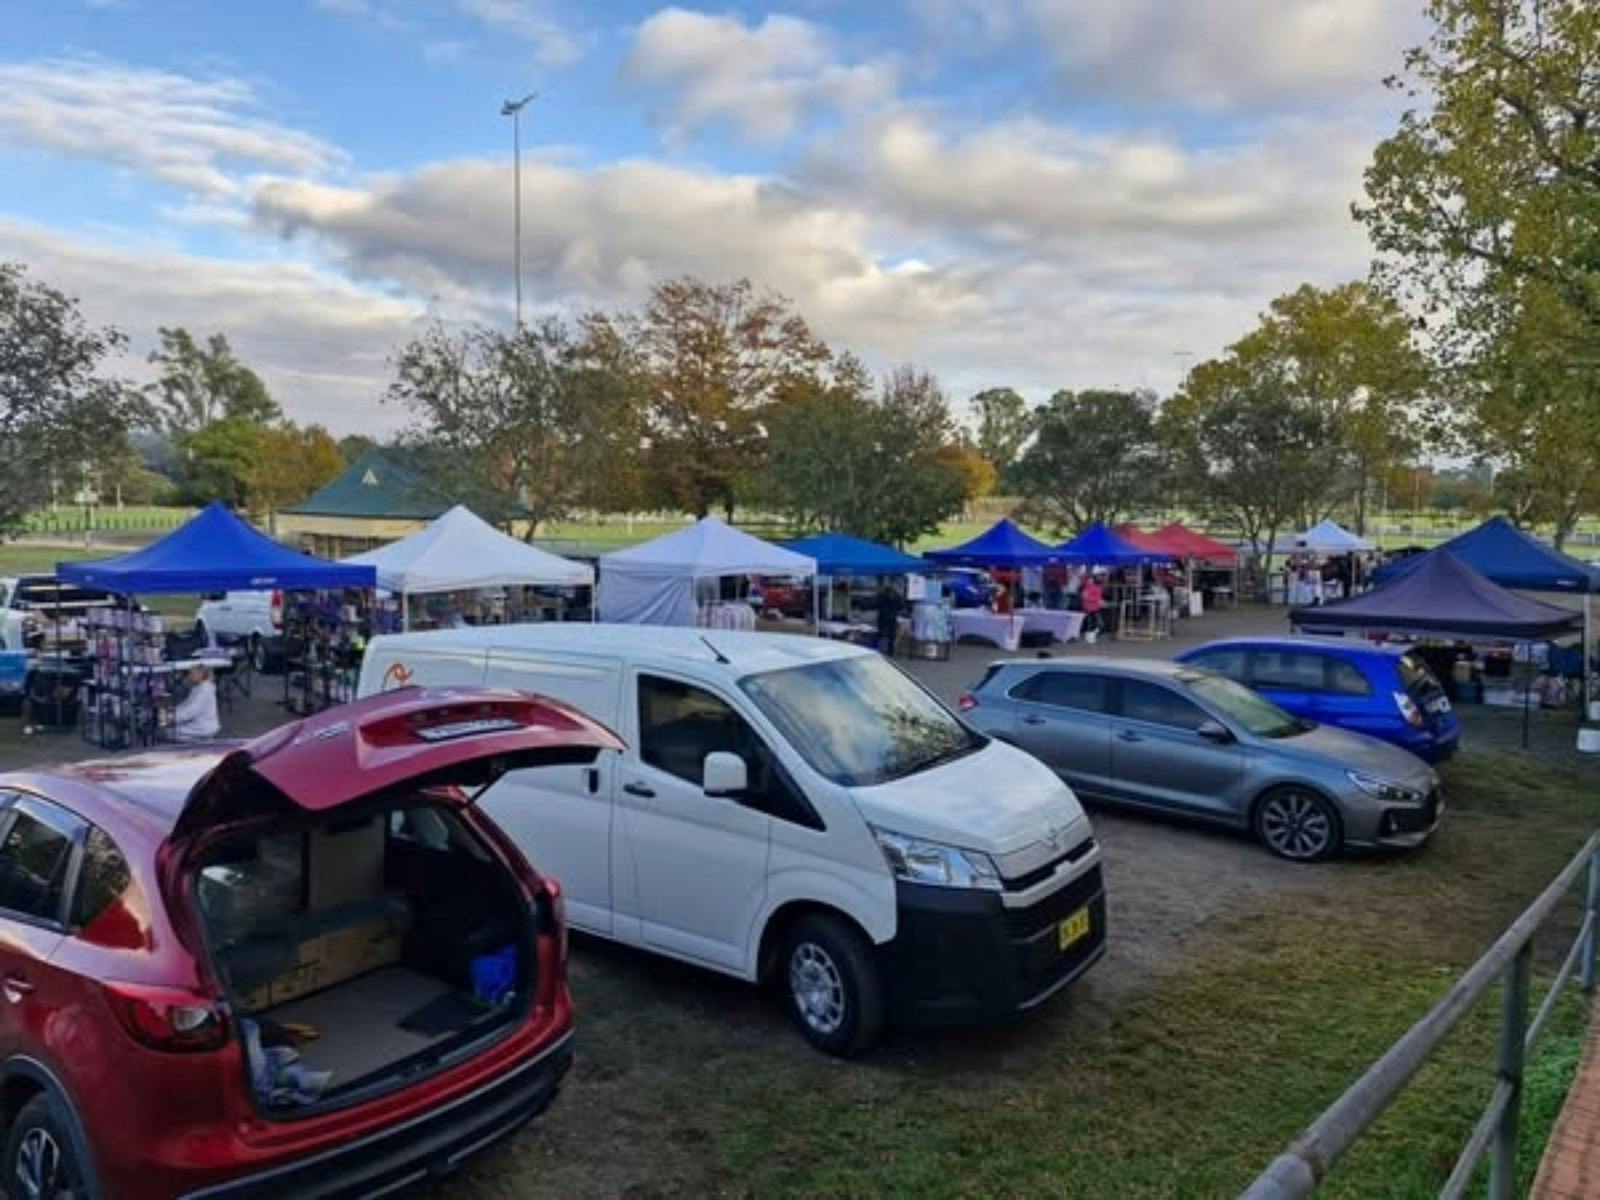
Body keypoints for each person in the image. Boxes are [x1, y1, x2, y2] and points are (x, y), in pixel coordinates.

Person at [173, 664, 220, 742]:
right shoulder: (199, 688)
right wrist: (173, 711)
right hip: (198, 726)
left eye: (190, 674)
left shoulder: (204, 690)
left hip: (201, 729)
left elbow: (190, 712)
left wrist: (171, 717)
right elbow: (186, 705)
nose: (188, 677)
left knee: (165, 732)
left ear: (200, 673)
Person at [874, 580, 903, 656]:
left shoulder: (881, 594)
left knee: (881, 634)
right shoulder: (896, 595)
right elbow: (901, 605)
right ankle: (890, 652)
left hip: (883, 616)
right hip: (892, 617)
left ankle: (879, 650)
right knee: (891, 635)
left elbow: (876, 604)